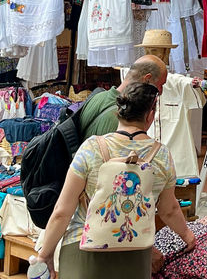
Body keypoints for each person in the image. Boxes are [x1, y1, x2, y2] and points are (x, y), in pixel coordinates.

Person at [35, 82, 195, 278]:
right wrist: (187, 236)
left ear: (117, 112)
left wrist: (46, 254)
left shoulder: (92, 148)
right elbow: (168, 210)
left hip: (83, 249)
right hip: (134, 250)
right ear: (150, 115)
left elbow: (62, 212)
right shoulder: (162, 156)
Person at [80, 55, 168, 139]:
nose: (160, 91)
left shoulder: (96, 97)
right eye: (160, 84)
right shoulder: (125, 117)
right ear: (147, 79)